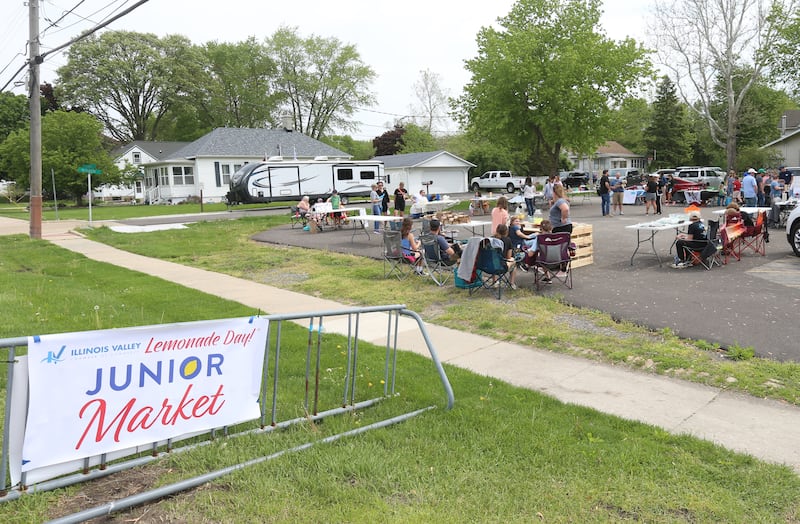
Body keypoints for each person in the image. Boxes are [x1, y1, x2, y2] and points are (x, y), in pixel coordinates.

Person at [493, 223, 517, 290]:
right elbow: (508, 256)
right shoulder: (508, 240)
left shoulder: (491, 239)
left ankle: (495, 281)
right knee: (514, 264)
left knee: (494, 259)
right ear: (506, 232)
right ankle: (512, 283)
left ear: (497, 230)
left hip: (489, 266)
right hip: (501, 266)